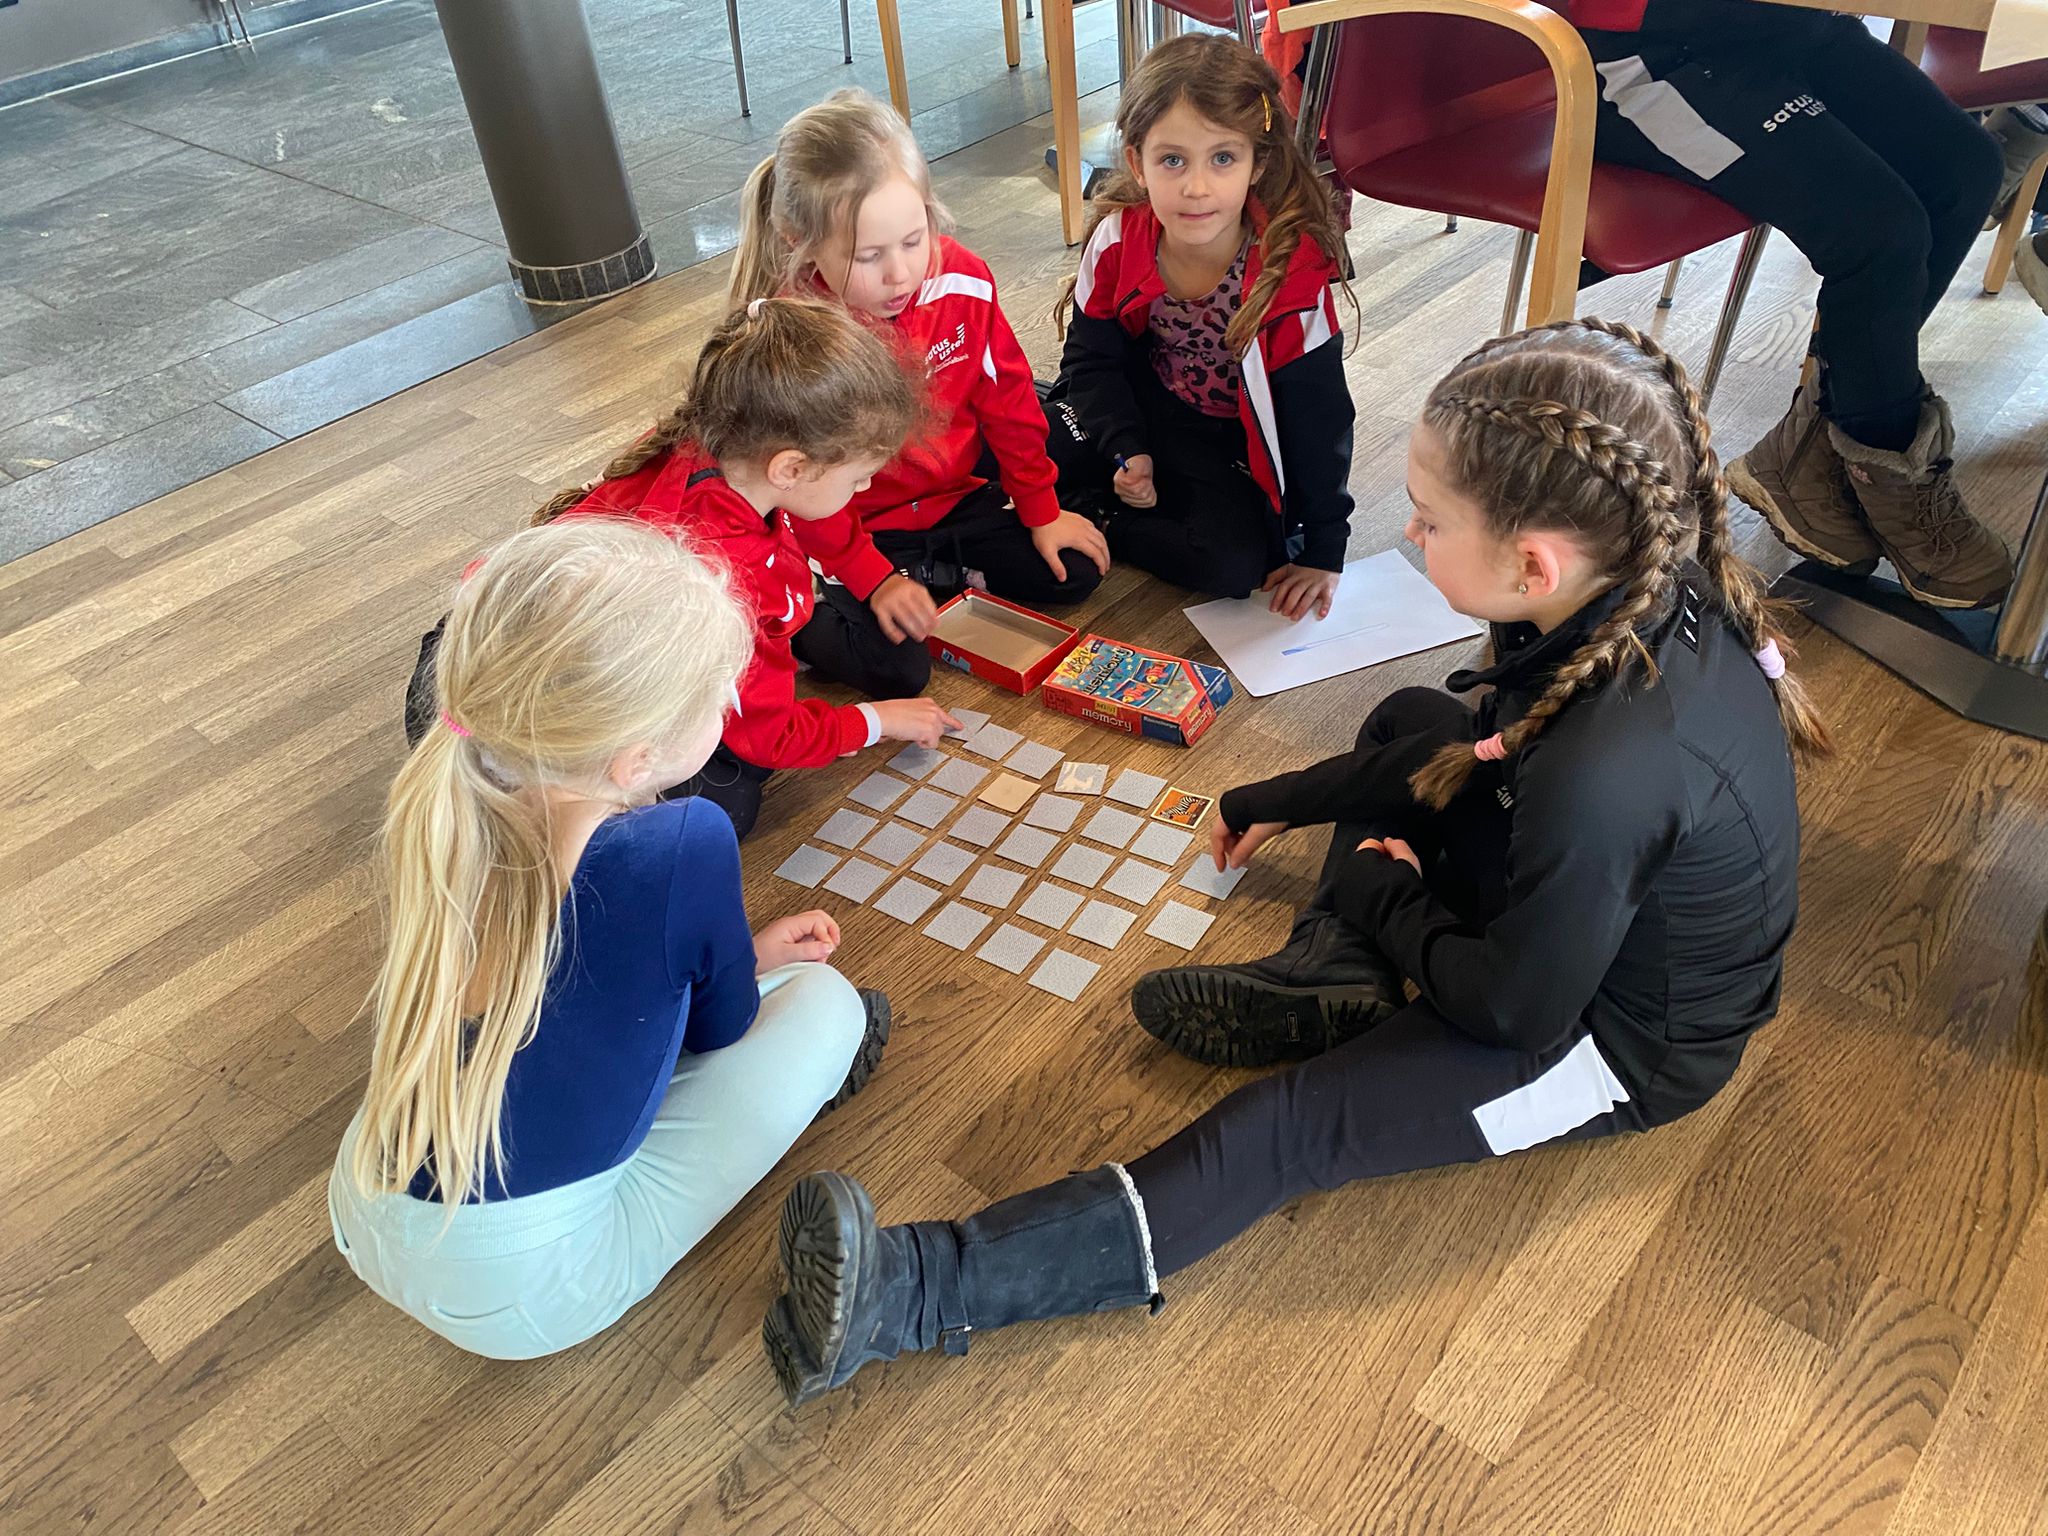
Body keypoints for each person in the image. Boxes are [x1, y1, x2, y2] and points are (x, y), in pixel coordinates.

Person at [756, 320, 1826, 1407]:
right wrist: (1270, 799)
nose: (1409, 531)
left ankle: (912, 1291)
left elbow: (1515, 1011)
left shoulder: (1610, 768)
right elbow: (1473, 752)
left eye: (1429, 519)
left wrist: (1383, 894)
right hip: (1576, 914)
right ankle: (1336, 975)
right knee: (1411, 718)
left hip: (1608, 1046)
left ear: (1532, 563)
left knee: (1290, 1126)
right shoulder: (1622, 586)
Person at [335, 518, 891, 1361]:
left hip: (365, 1206)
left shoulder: (451, 803)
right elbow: (721, 1031)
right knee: (827, 1004)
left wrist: (736, 952)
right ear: (635, 762)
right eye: (719, 698)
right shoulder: (683, 840)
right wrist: (740, 963)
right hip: (523, 1294)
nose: (730, 708)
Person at [403, 298, 958, 841]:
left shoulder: (733, 437)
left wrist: (875, 579)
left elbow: (814, 512)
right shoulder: (723, 574)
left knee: (894, 666)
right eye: (859, 478)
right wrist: (875, 723)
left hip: (504, 637)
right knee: (725, 805)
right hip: (503, 688)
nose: (865, 487)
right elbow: (768, 736)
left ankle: (777, 652)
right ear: (790, 468)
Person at [1543, 0, 2013, 609]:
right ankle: (1884, 455)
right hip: (1649, 57)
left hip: (1788, 27)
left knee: (1965, 167)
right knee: (1879, 231)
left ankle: (1813, 448)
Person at [728, 88, 1112, 698]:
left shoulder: (964, 279)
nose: (900, 273)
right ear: (801, 242)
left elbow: (1010, 402)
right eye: (868, 256)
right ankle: (798, 615)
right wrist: (873, 578)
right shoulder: (798, 333)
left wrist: (1040, 509)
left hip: (953, 501)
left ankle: (931, 574)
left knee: (1076, 571)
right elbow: (803, 492)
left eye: (914, 240)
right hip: (846, 529)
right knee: (897, 671)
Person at [1044, 34, 1356, 618]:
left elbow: (1321, 418)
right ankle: (1099, 485)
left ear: (1258, 163)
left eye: (1223, 158)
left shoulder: (1291, 272)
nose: (1196, 187)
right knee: (1016, 445)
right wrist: (1126, 448)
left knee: (1235, 565)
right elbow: (1090, 363)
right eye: (1172, 160)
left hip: (1227, 446)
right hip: (1140, 411)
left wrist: (1324, 548)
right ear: (1137, 164)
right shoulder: (1117, 240)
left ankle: (1099, 516)